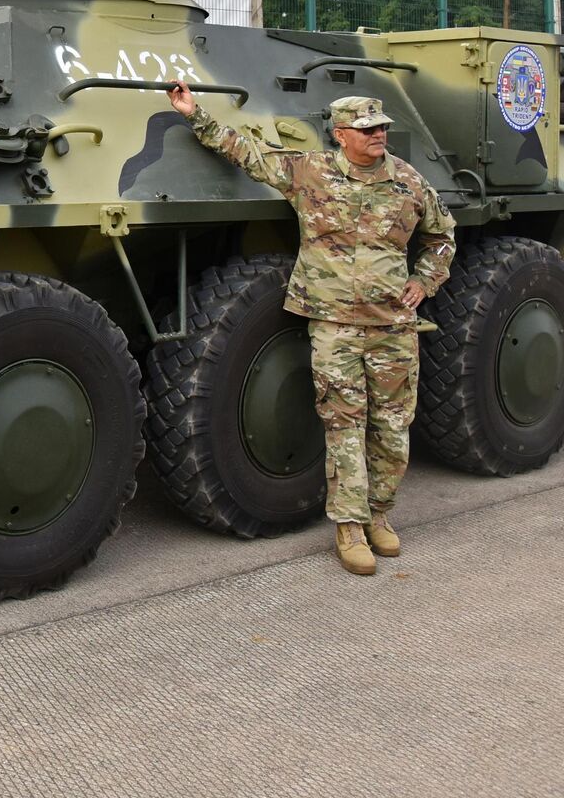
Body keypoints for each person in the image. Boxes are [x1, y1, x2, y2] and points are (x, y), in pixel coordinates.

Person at [167, 85, 455, 576]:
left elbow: (442, 237)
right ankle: (348, 526)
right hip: (335, 325)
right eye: (366, 129)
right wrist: (197, 115)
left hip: (393, 325)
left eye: (381, 127)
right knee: (343, 423)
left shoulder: (409, 182)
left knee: (391, 426)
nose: (378, 135)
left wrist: (423, 281)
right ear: (341, 135)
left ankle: (380, 516)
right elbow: (248, 153)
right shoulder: (309, 171)